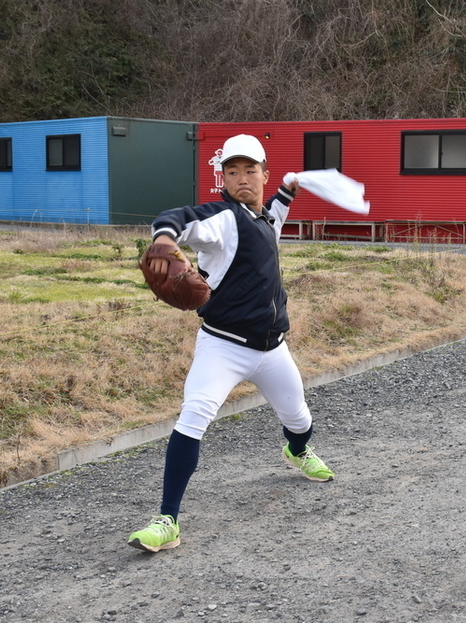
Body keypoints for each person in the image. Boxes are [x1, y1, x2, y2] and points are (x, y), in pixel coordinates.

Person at [127, 134, 335, 553]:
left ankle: (297, 452)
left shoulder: (264, 219)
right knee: (194, 416)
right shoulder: (222, 218)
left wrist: (289, 188)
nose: (241, 178)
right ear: (222, 177)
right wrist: (165, 238)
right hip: (223, 346)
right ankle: (167, 519)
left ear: (263, 173)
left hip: (273, 349)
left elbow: (274, 214)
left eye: (250, 170)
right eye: (232, 171)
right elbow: (180, 216)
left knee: (299, 420)